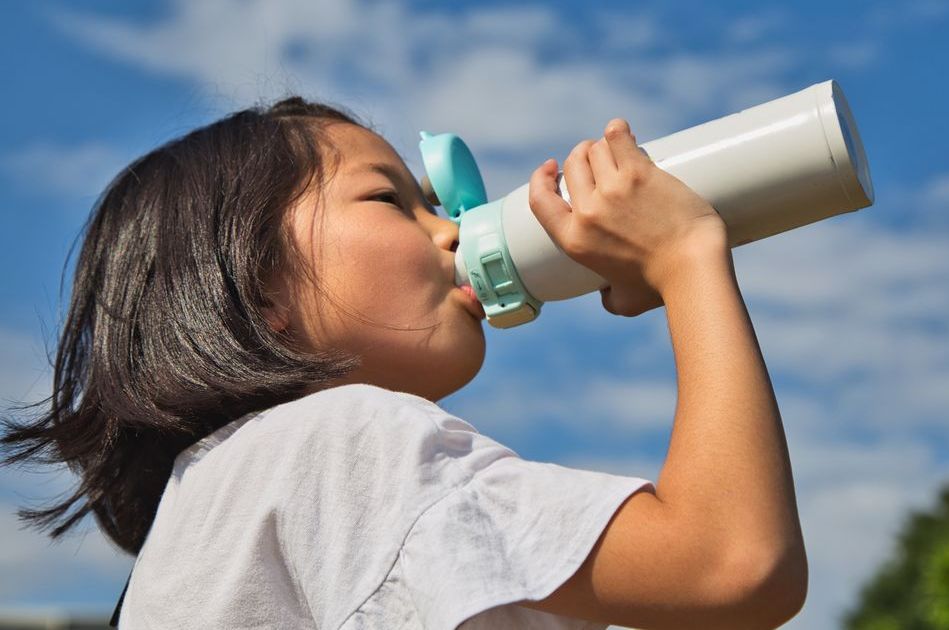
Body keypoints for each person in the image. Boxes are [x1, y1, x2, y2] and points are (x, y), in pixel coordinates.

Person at [0, 96, 807, 629]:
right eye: (392, 201)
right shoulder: (335, 438)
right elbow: (733, 564)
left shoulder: (215, 505)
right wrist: (687, 259)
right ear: (254, 283)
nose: (452, 231)